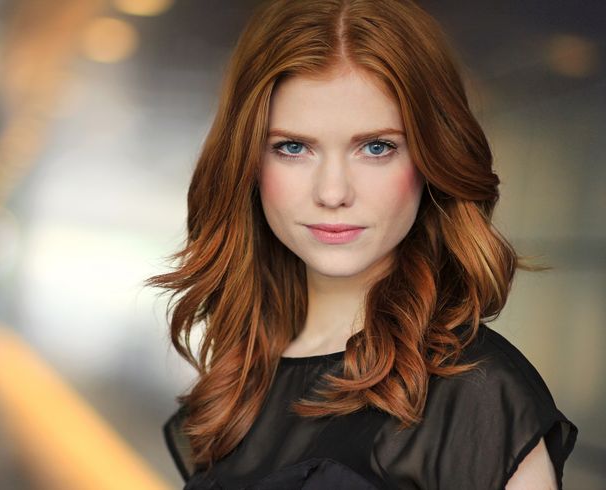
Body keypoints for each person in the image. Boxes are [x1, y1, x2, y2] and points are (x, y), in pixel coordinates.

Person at [147, 0, 578, 488]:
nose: (333, 193)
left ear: (433, 158)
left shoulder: (480, 394)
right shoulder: (239, 384)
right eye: (293, 147)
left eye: (376, 147)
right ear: (248, 162)